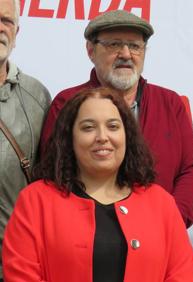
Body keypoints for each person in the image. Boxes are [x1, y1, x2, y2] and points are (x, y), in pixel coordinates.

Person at [2, 87, 193, 282]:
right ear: (69, 138)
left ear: (127, 135)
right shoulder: (35, 201)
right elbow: (21, 275)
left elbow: (181, 274)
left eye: (113, 127)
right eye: (88, 127)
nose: (102, 137)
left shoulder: (161, 203)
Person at [39, 10, 193, 227]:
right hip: (88, 238)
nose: (126, 54)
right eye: (114, 44)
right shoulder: (68, 103)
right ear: (90, 51)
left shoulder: (170, 103)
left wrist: (170, 222)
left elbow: (189, 171)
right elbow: (54, 173)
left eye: (135, 46)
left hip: (161, 236)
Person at [0, 0, 51, 280]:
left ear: (17, 33)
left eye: (6, 21)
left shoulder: (38, 96)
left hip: (17, 263)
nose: (0, 28)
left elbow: (53, 183)